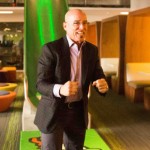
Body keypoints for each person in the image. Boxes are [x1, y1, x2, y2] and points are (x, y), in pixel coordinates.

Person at [34, 9, 109, 150]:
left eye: (85, 23)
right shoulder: (51, 49)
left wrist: (102, 83)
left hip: (78, 112)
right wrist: (60, 89)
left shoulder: (92, 50)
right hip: (53, 111)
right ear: (65, 26)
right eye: (76, 23)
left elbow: (97, 74)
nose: (82, 27)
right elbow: (40, 84)